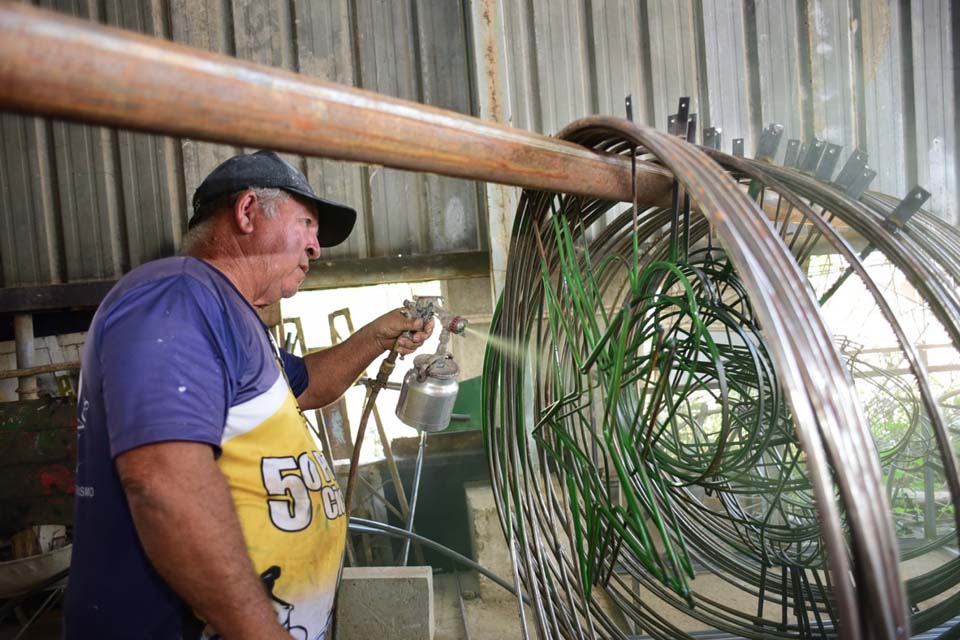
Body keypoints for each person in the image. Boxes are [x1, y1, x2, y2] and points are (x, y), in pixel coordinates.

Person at [63, 150, 433, 639]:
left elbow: (306, 386)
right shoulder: (176, 295)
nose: (316, 249)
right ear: (247, 211)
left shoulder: (233, 317)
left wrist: (376, 336)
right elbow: (163, 484)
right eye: (306, 224)